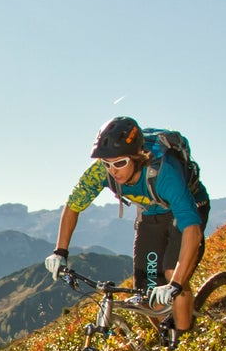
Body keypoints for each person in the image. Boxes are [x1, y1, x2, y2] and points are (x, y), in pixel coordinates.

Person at [45, 116, 208, 332]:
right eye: (107, 163)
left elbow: (192, 229)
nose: (113, 170)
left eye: (120, 163)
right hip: (151, 213)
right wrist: (60, 252)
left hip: (189, 208)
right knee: (146, 292)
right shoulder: (101, 171)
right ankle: (167, 337)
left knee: (172, 274)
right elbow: (73, 206)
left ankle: (185, 341)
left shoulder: (165, 174)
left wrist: (175, 283)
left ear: (137, 156)